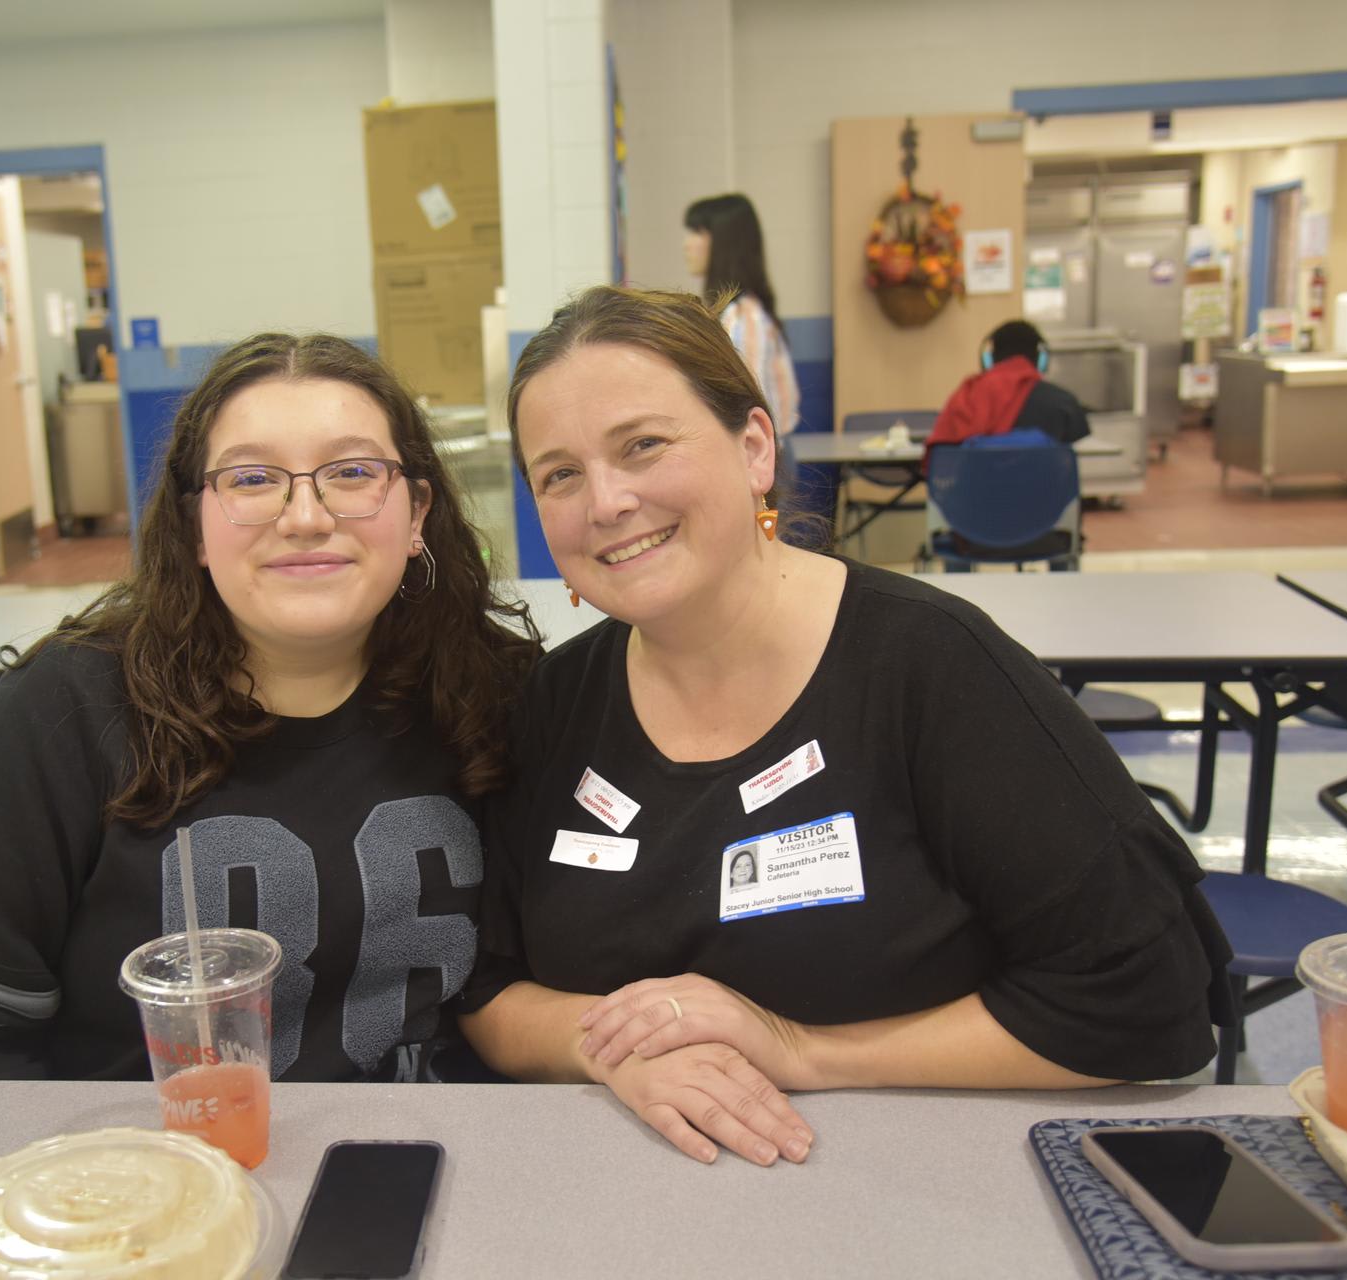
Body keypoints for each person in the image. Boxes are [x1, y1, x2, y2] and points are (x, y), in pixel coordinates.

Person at [458, 286, 1229, 1168]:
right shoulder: (554, 703)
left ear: (754, 447)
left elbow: (1146, 1000)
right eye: (559, 474)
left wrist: (802, 1051)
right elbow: (484, 992)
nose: (606, 501)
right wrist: (618, 1048)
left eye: (643, 445)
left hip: (919, 1185)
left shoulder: (931, 670)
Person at [0, 333, 541, 1082]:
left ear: (416, 512)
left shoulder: (501, 694)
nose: (305, 516)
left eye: (353, 472)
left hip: (442, 1144)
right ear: (194, 527)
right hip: (150, 1151)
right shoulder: (63, 712)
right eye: (251, 479)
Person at [683, 195, 800, 479]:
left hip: (756, 460)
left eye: (697, 232)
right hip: (758, 457)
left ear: (723, 243)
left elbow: (747, 401)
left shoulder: (744, 319)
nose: (686, 244)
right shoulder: (737, 314)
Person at [927, 319, 1089, 449]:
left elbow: (941, 454)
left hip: (976, 482)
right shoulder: (1063, 402)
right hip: (1042, 482)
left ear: (988, 359)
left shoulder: (965, 397)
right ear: (1041, 359)